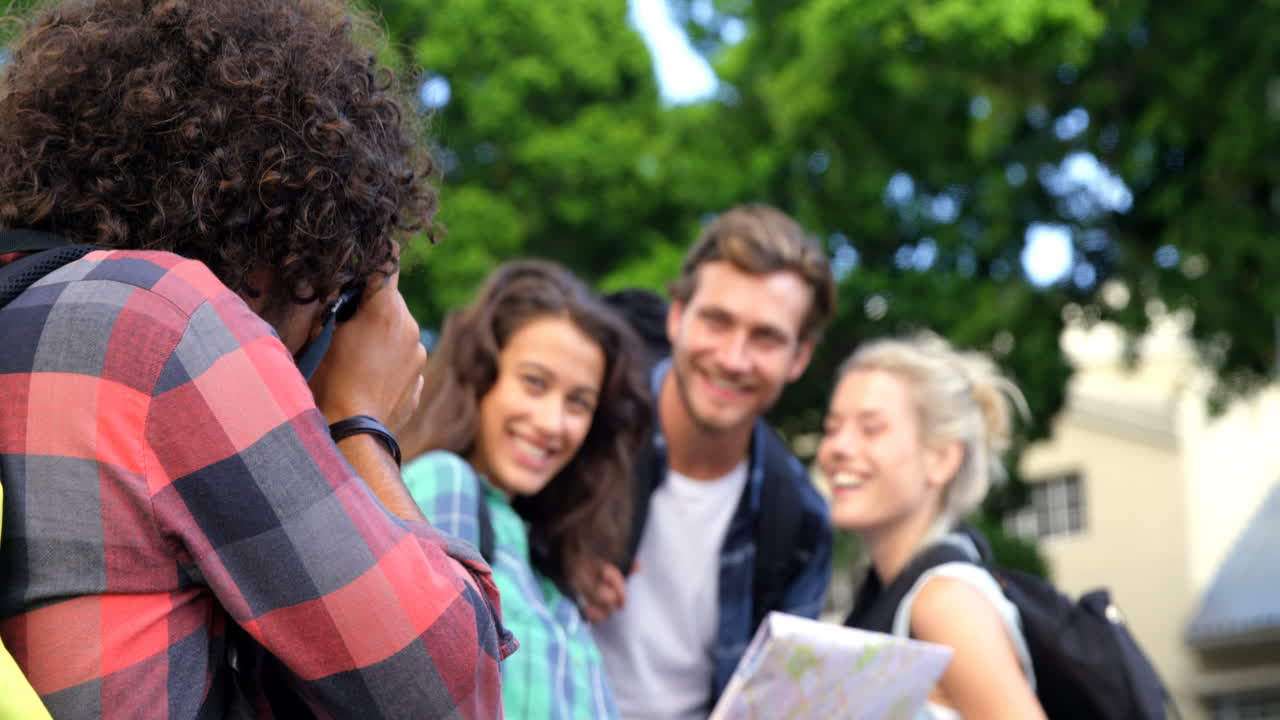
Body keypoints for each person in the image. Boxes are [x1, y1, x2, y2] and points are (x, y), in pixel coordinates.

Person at [0, 0, 515, 717]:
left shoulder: (27, 298)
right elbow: (446, 692)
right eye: (332, 295)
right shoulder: (169, 321)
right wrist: (359, 423)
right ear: (284, 250)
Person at [587, 205, 837, 719]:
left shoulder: (802, 523)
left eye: (766, 337)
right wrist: (556, 569)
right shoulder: (581, 429)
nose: (733, 358)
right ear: (677, 317)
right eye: (717, 322)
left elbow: (776, 707)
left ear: (799, 357)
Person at [397, 259, 652, 719]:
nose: (552, 423)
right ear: (481, 375)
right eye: (535, 383)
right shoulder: (446, 482)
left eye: (579, 403)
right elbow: (432, 689)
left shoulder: (551, 572)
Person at [818, 334, 1046, 719]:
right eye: (832, 427)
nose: (838, 447)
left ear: (941, 459)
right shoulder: (883, 593)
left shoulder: (944, 602)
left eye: (871, 429)